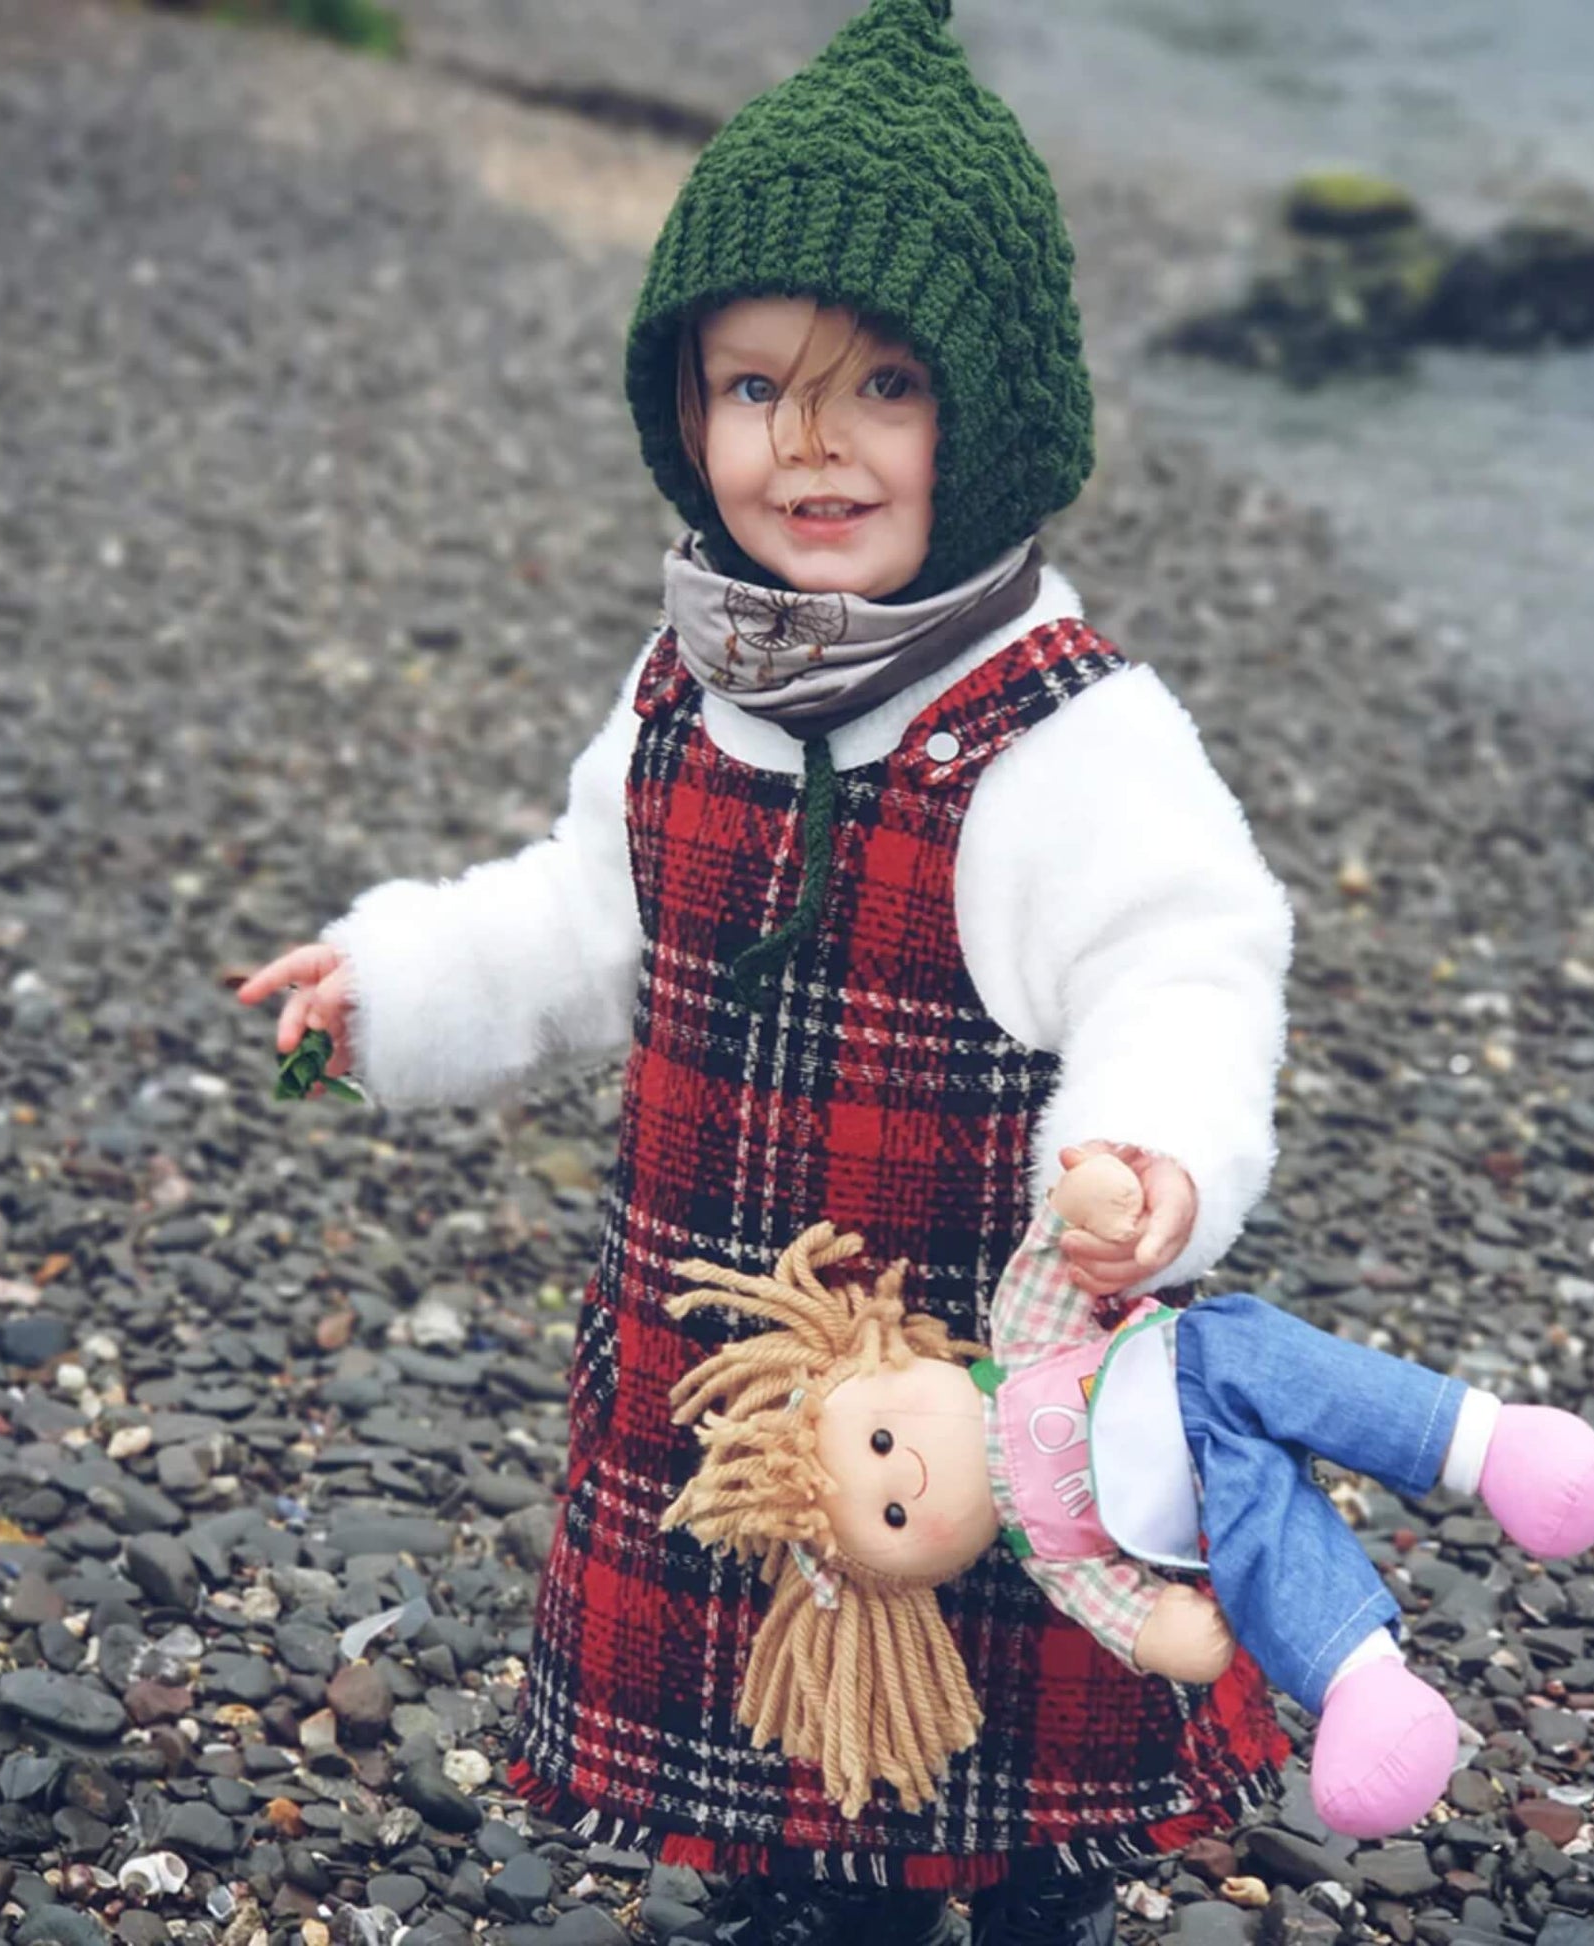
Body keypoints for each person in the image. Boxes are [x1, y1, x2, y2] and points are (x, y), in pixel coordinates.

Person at [239, 2, 1294, 1938]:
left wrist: (1155, 1146)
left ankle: (1015, 1880)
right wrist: (395, 983)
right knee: (767, 1698)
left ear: (990, 412)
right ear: (682, 409)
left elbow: (1187, 959)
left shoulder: (1059, 734)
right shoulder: (688, 688)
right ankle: (792, 1880)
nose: (806, 444)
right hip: (733, 1358)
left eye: (880, 385)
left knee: (1000, 1715)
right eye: (751, 390)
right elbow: (582, 923)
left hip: (982, 1367)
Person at [659, 1151, 1594, 1842]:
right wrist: (1161, 1630)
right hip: (1207, 1504)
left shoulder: (1021, 1338)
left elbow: (1056, 1249)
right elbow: (1109, 1598)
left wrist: (1091, 1200)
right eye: (893, 1518)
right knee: (1266, 1556)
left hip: (1205, 1364)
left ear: (879, 1355)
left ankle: (1490, 1443)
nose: (900, 1478)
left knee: (1310, 1376)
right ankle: (1364, 1685)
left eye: (878, 1441)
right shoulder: (1045, 1549)